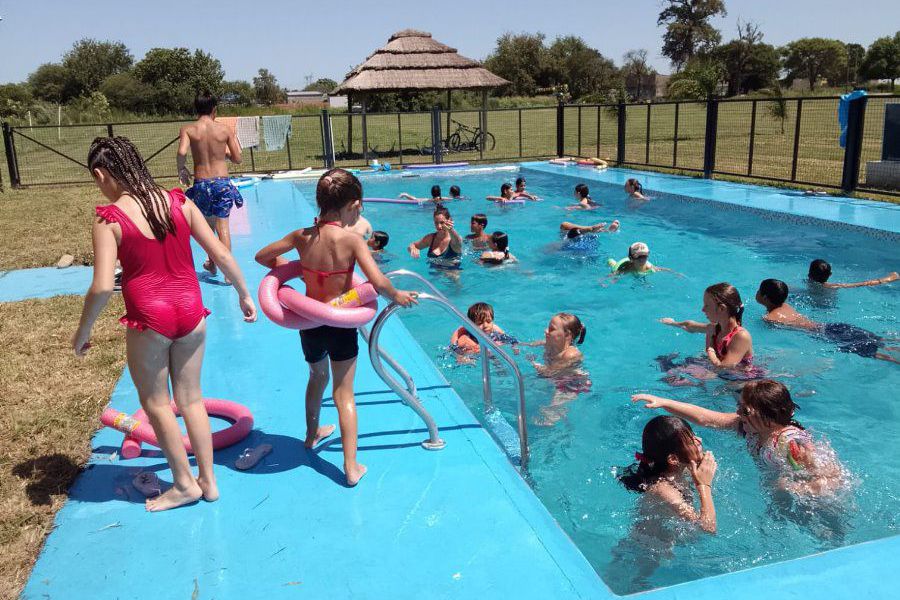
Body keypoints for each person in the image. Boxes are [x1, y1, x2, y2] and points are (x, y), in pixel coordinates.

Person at [73, 137, 257, 512]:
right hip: (191, 313)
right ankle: (208, 479)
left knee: (156, 404)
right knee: (191, 400)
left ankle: (184, 484)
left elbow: (104, 285)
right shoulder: (178, 201)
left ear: (100, 174)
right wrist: (244, 292)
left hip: (150, 320)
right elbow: (219, 251)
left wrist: (84, 330)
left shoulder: (109, 219)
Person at [255, 169, 418, 486]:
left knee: (316, 376)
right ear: (354, 204)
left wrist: (294, 269)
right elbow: (377, 281)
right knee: (344, 394)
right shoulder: (352, 240)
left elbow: (262, 256)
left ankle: (310, 433)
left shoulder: (301, 236)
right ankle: (351, 466)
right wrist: (397, 294)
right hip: (339, 326)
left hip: (310, 324)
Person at [633, 379, 845, 496]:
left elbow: (834, 478)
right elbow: (706, 418)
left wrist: (792, 489)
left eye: (745, 410)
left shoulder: (791, 444)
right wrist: (664, 402)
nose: (738, 412)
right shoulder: (749, 427)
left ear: (768, 417)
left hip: (808, 501)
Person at [177, 91, 244, 283]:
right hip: (222, 184)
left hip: (201, 185)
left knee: (207, 229)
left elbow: (182, 151)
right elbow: (238, 158)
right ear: (214, 109)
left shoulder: (188, 129)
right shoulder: (224, 130)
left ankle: (212, 263)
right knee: (223, 228)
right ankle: (228, 274)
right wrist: (224, 155)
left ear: (196, 109)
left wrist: (182, 169)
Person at [756, 278, 900, 364]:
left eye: (758, 291)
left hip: (827, 335)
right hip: (834, 326)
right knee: (879, 340)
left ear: (766, 298)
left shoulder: (769, 318)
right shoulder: (786, 305)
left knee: (874, 352)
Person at [619, 416, 717, 533]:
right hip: (647, 549)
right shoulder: (663, 489)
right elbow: (707, 528)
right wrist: (704, 485)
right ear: (673, 459)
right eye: (692, 441)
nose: (699, 440)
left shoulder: (682, 468)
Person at [659, 282, 759, 381]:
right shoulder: (716, 328)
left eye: (707, 305)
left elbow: (723, 368)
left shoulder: (741, 336)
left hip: (740, 380)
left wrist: (710, 348)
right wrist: (673, 323)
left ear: (721, 308)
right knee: (669, 367)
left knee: (674, 378)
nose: (703, 309)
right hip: (719, 372)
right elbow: (690, 325)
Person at [524, 313, 592, 425]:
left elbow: (548, 372)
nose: (546, 331)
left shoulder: (571, 354)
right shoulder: (548, 343)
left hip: (572, 384)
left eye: (551, 329)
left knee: (549, 418)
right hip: (555, 378)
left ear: (567, 335)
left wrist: (532, 362)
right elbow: (527, 345)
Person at [449, 302, 516, 358]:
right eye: (480, 323)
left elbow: (508, 339)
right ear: (471, 324)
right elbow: (459, 351)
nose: (485, 326)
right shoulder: (465, 338)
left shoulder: (494, 330)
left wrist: (514, 346)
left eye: (488, 321)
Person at [808, 258, 898, 289]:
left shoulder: (808, 282)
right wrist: (890, 278)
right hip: (827, 309)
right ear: (830, 274)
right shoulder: (833, 286)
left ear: (809, 274)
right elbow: (864, 284)